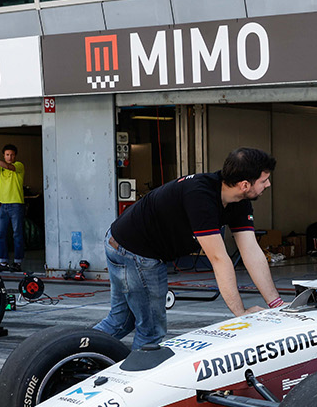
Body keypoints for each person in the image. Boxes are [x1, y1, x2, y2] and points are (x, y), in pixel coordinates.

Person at [99, 148, 284, 350]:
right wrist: (241, 313)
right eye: (264, 180)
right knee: (151, 333)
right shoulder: (201, 196)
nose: (268, 184)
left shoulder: (239, 201)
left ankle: (73, 355)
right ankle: (129, 379)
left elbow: (251, 250)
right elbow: (219, 259)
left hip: (120, 241)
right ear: (245, 185)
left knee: (120, 322)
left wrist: (277, 306)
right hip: (136, 252)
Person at [0, 144, 27, 270]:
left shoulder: (18, 165)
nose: (9, 157)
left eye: (11, 155)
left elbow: (8, 166)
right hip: (3, 205)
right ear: (4, 155)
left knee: (17, 234)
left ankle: (17, 262)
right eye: (7, 155)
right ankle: (3, 261)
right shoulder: (0, 167)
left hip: (16, 204)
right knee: (1, 234)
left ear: (15, 156)